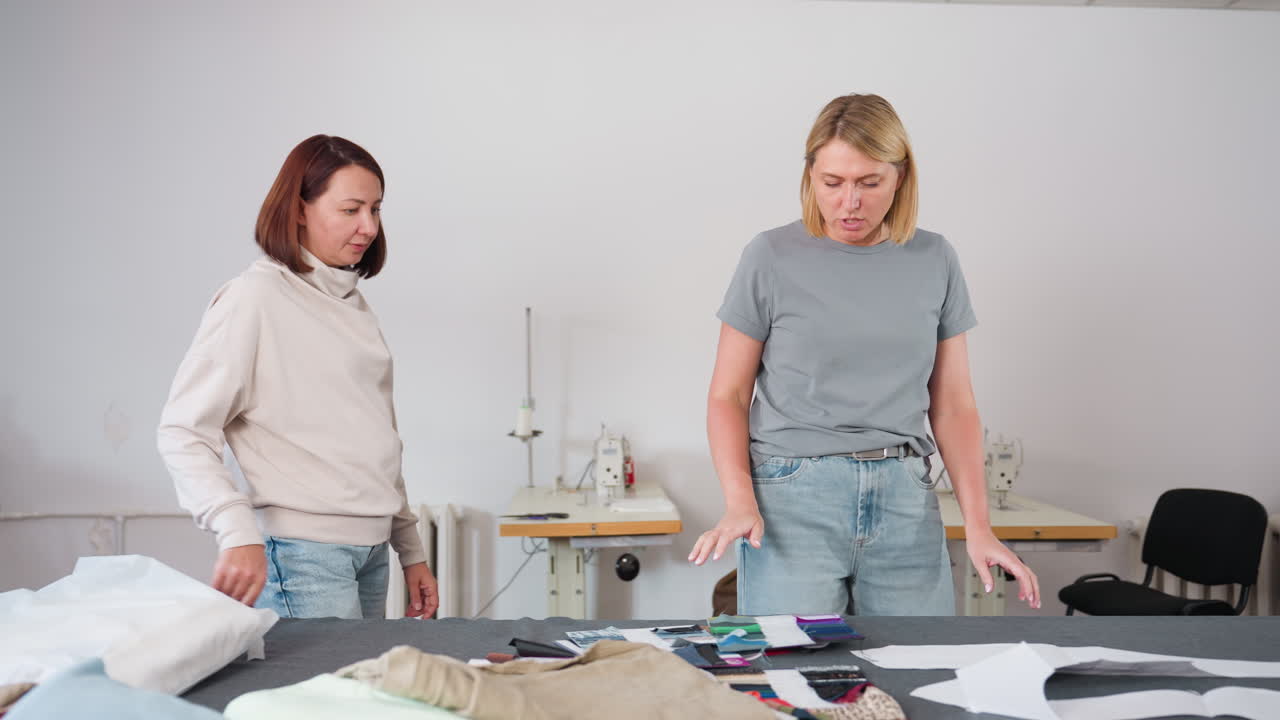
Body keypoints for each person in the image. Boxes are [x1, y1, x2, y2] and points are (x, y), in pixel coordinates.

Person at [687, 94, 1040, 615]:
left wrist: (979, 526)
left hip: (904, 498)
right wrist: (739, 499)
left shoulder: (935, 258)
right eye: (832, 182)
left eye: (868, 183)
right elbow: (729, 394)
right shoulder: (770, 256)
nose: (848, 202)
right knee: (792, 674)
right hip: (792, 499)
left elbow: (954, 407)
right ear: (811, 176)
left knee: (919, 665)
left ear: (900, 177)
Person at [157, 135, 438, 619]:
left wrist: (409, 549)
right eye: (351, 209)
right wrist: (236, 528)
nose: (368, 226)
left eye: (376, 209)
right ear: (300, 209)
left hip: (370, 554)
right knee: (328, 695)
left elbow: (378, 440)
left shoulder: (354, 308)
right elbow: (182, 430)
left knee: (361, 694)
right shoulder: (255, 298)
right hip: (303, 554)